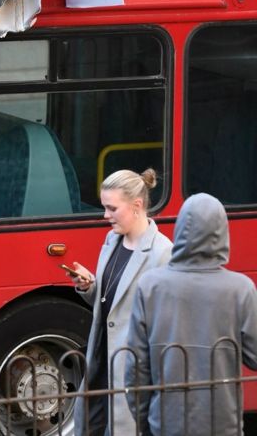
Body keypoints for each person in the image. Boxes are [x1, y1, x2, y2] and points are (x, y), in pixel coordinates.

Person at [125, 193, 257, 436]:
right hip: (222, 422)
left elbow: (135, 369)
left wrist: (145, 422)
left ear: (180, 230)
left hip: (165, 422)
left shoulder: (150, 286)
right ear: (222, 233)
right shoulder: (240, 289)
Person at [68, 168, 172, 436]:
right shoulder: (112, 239)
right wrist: (89, 285)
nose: (105, 216)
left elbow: (166, 323)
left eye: (112, 208)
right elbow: (109, 303)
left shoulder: (163, 253)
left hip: (130, 372)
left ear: (137, 205)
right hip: (100, 361)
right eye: (105, 207)